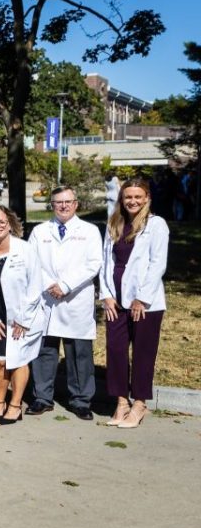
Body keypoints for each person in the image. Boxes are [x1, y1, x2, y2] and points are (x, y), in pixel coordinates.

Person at [28, 186, 102, 420]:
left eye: (67, 201)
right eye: (58, 202)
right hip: (47, 298)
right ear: (52, 204)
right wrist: (51, 284)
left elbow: (93, 264)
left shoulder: (89, 231)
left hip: (76, 299)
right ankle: (42, 397)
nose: (63, 206)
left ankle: (80, 400)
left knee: (79, 353)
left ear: (76, 203)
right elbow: (31, 261)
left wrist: (66, 285)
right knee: (44, 351)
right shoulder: (40, 231)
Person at [100, 178, 169, 429]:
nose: (133, 201)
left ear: (147, 197)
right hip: (116, 301)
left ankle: (139, 404)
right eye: (128, 196)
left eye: (138, 197)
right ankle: (121, 402)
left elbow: (157, 263)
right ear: (122, 198)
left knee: (142, 353)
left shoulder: (156, 225)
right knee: (116, 352)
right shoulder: (115, 224)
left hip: (145, 304)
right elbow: (105, 262)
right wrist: (106, 294)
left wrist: (143, 297)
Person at [0, 206, 45, 425]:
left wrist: (24, 320)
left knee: (20, 359)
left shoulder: (25, 249)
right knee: (1, 361)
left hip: (22, 317)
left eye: (2, 222)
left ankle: (15, 405)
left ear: (10, 224)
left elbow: (36, 286)